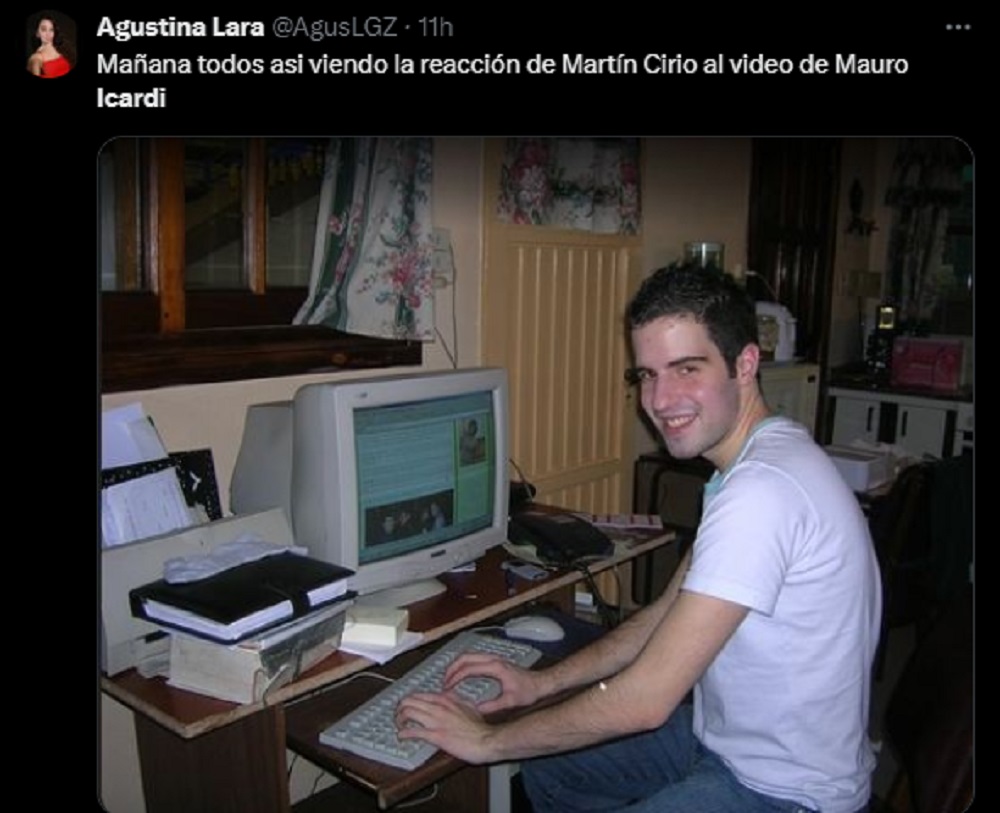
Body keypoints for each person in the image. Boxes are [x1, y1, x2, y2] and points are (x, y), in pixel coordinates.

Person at [397, 264, 882, 813]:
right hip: (723, 744)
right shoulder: (754, 464)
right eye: (647, 374)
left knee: (525, 750)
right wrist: (541, 686)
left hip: (787, 793)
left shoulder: (761, 494)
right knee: (552, 770)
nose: (660, 399)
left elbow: (646, 701)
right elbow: (664, 615)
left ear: (745, 364)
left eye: (686, 368)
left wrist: (486, 742)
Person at [27, 12, 75, 78]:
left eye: (51, 30)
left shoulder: (60, 48)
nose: (48, 34)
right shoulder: (36, 58)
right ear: (37, 33)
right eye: (44, 29)